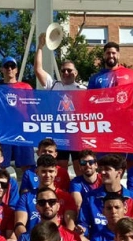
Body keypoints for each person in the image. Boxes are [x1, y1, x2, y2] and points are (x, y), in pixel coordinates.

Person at [88, 41, 133, 166]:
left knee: (129, 164)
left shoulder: (131, 74)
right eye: (108, 53)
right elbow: (88, 103)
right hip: (104, 127)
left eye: (113, 53)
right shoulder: (95, 78)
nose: (111, 56)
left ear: (118, 55)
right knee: (104, 164)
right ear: (104, 55)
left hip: (126, 126)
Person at [34, 33, 87, 170]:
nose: (66, 73)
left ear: (76, 73)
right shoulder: (54, 85)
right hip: (59, 133)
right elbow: (38, 70)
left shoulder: (83, 90)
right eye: (63, 70)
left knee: (79, 168)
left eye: (69, 70)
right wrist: (40, 47)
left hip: (77, 134)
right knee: (60, 168)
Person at [13, 187, 84, 241]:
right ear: (37, 207)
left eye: (52, 202)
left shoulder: (72, 237)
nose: (47, 205)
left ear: (58, 206)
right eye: (42, 202)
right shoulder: (25, 238)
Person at [77, 154, 133, 239]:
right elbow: (83, 224)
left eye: (107, 169)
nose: (102, 172)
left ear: (119, 172)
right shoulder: (91, 197)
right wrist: (82, 231)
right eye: (101, 169)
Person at [0, 56, 34, 171]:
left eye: (12, 66)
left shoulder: (26, 87)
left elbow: (33, 110)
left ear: (16, 70)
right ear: (2, 69)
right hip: (3, 130)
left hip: (22, 129)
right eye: (6, 66)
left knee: (27, 165)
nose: (9, 69)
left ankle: (27, 183)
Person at [14, 155, 77, 234]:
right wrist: (28, 240)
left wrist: (61, 240)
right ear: (37, 172)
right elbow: (19, 224)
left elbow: (70, 225)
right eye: (43, 171)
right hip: (33, 239)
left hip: (59, 239)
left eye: (51, 171)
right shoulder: (26, 198)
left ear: (56, 172)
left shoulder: (67, 197)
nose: (47, 175)